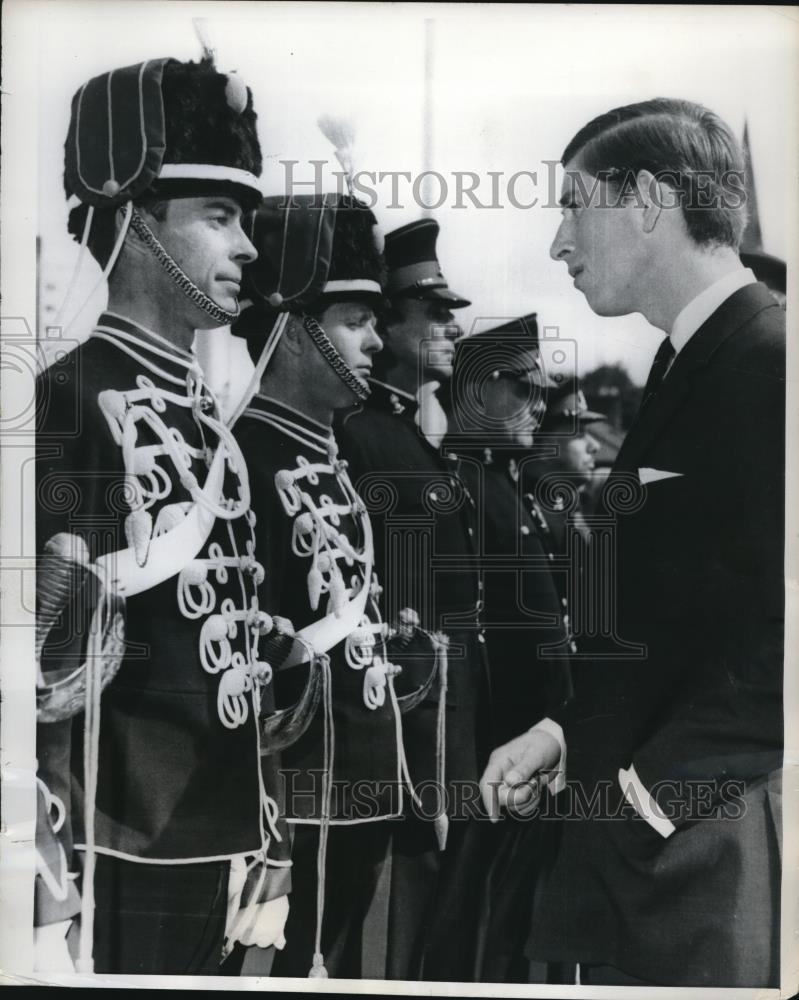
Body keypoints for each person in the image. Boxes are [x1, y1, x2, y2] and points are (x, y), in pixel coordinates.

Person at [481, 98, 785, 987]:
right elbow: (689, 621)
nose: (558, 243)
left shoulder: (769, 361)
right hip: (668, 842)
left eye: (573, 204)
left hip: (704, 843)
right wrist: (565, 735)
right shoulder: (698, 357)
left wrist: (656, 795)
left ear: (647, 200)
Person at [34, 57, 292, 976]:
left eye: (247, 221)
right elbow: (39, 662)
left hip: (227, 824)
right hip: (118, 832)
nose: (248, 249)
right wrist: (46, 853)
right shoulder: (64, 398)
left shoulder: (204, 416)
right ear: (136, 228)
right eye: (219, 219)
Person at [231, 193, 437, 979]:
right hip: (295, 798)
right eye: (356, 321)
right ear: (294, 328)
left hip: (361, 779)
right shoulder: (243, 458)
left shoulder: (328, 455)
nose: (377, 343)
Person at [336, 218, 490, 981]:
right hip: (400, 727)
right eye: (434, 312)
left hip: (443, 724)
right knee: (382, 932)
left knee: (429, 926)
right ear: (388, 323)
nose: (452, 326)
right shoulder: (358, 434)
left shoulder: (409, 435)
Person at [447, 316, 573, 983]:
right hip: (495, 740)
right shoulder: (462, 480)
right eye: (526, 389)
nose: (542, 405)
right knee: (476, 927)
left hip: (528, 738)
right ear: (483, 390)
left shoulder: (504, 479)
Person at [521, 380, 605, 556]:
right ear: (545, 445)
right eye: (580, 433)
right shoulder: (523, 509)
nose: (595, 446)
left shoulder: (565, 506)